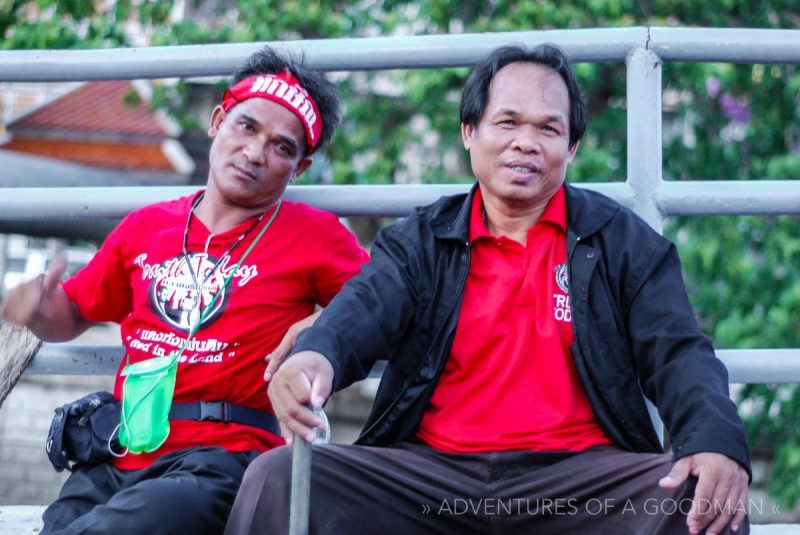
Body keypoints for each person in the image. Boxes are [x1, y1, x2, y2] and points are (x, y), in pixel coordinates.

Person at [225, 44, 751, 535]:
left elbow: (680, 353)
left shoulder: (621, 242)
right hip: (431, 480)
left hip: (576, 483)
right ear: (469, 132)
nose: (526, 141)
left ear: (571, 148)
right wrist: (317, 355)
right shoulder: (421, 239)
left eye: (548, 128)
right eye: (508, 122)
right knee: (277, 477)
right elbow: (366, 306)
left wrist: (714, 443)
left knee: (704, 496)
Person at [0, 46, 367, 535]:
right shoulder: (146, 225)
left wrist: (323, 322)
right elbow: (72, 313)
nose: (255, 152)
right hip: (121, 450)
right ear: (217, 121)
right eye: (247, 126)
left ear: (299, 168)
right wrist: (39, 309)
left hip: (223, 460)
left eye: (283, 147)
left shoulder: (316, 235)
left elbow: (384, 300)